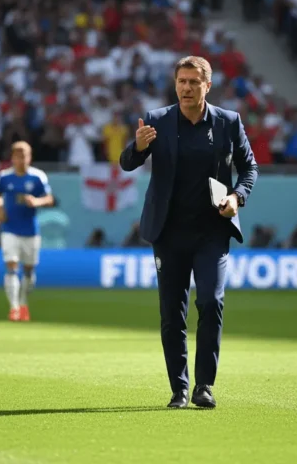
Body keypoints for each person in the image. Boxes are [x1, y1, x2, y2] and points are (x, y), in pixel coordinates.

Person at [119, 56, 258, 409]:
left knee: (211, 302)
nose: (186, 88)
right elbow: (128, 163)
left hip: (212, 231)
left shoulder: (228, 122)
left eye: (194, 82)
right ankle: (179, 390)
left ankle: (204, 386)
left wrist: (236, 197)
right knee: (172, 315)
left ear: (207, 86)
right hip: (169, 232)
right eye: (181, 81)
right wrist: (137, 145)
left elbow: (249, 168)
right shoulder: (156, 121)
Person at [0, 141, 54, 322]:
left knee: (29, 271)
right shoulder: (4, 177)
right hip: (10, 229)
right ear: (12, 157)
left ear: (30, 157)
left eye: (25, 155)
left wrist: (36, 202)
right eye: (18, 155)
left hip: (30, 230)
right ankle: (14, 308)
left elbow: (49, 199)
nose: (21, 159)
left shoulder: (38, 177)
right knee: (11, 266)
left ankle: (23, 303)